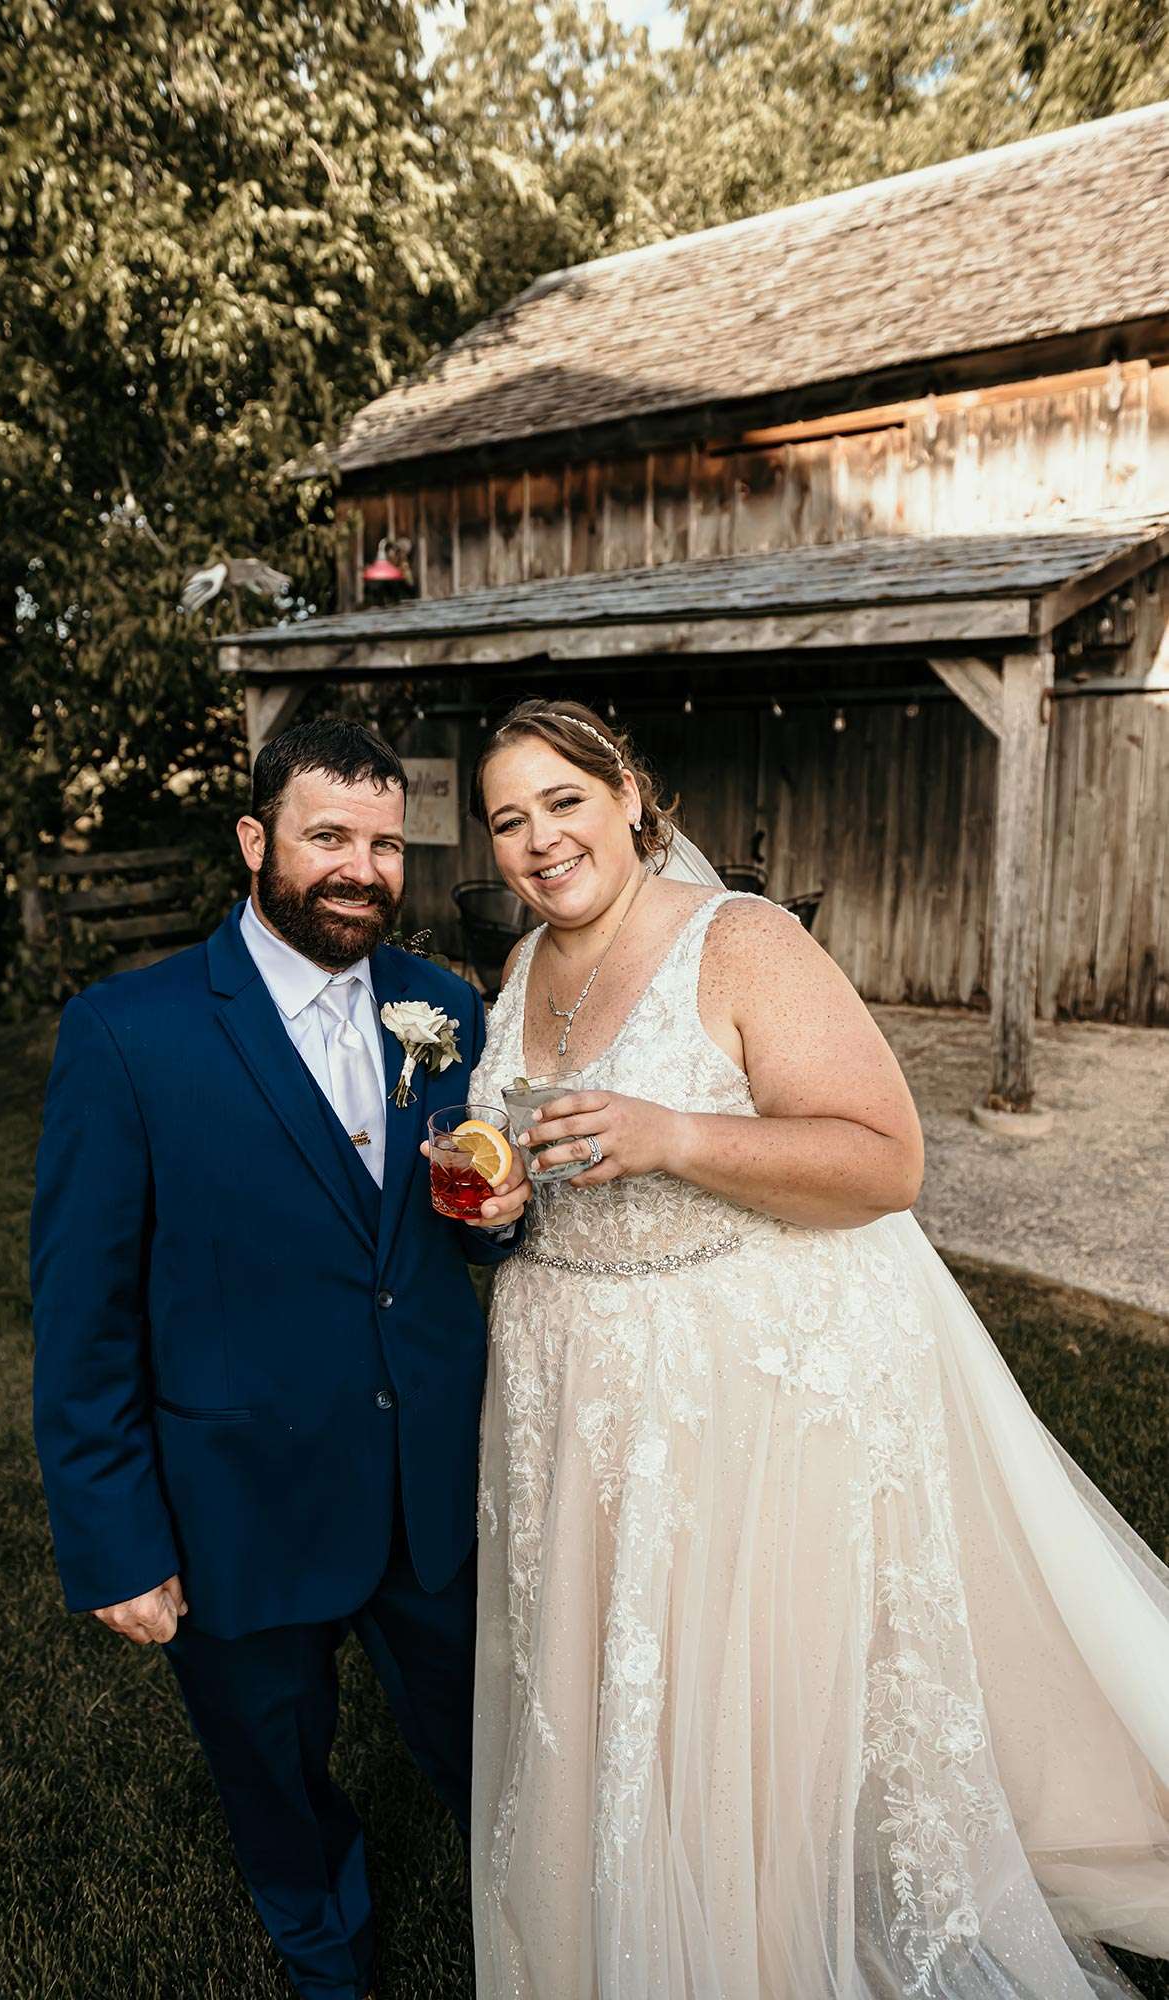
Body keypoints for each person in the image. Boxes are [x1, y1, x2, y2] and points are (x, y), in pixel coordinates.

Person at [466, 696, 1169, 2000]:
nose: (539, 840)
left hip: (727, 1391)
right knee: (619, 1688)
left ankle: (756, 1935)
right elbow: (559, 1159)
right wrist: (504, 1191)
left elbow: (882, 1160)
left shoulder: (740, 941)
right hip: (573, 1394)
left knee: (739, 1699)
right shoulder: (520, 969)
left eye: (563, 801)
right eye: (507, 820)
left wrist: (673, 1136)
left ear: (629, 795)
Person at [30, 718, 529, 2000]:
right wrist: (115, 1537)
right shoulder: (128, 1033)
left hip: (427, 1483)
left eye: (386, 843)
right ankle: (328, 1957)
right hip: (237, 1504)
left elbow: (451, 1224)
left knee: (490, 1739)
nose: (363, 869)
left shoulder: (445, 1007)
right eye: (328, 837)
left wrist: (496, 1213)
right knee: (274, 1772)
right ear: (256, 841)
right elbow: (82, 1314)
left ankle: (535, 1924)